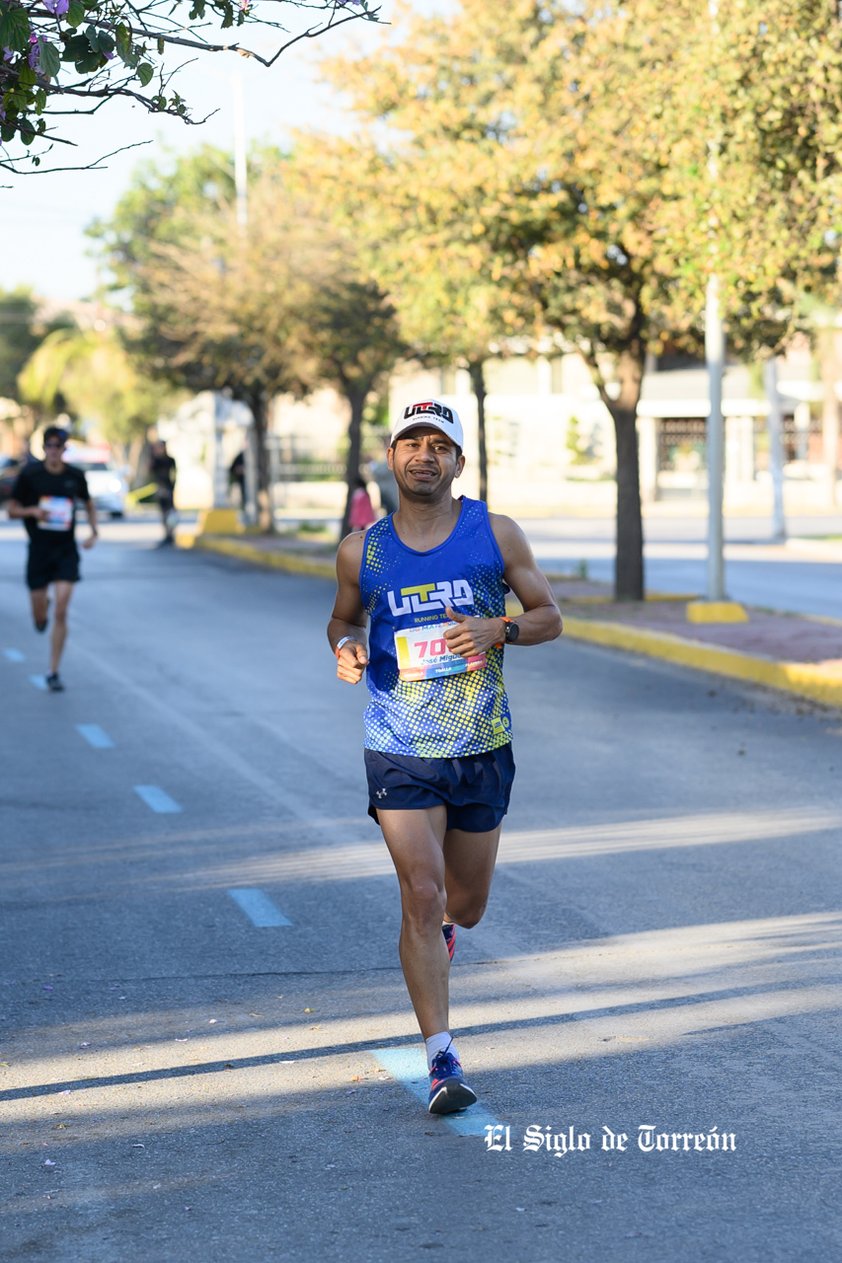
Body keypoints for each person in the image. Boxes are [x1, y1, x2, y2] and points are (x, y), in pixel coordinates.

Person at [327, 398, 562, 1115]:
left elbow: (550, 616)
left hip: (480, 745)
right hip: (397, 745)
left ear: (459, 461)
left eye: (439, 446)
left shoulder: (494, 532)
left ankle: (447, 934)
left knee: (466, 902)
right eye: (411, 443)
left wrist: (501, 628)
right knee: (421, 894)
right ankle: (441, 1057)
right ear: (391, 458)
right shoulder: (360, 550)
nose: (424, 455)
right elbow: (342, 615)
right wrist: (345, 645)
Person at [6, 425, 98, 692]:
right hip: (39, 550)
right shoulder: (30, 475)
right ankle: (40, 608)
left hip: (66, 551)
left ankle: (53, 671)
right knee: (39, 618)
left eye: (59, 447)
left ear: (65, 450)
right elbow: (11, 511)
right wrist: (33, 511)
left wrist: (94, 532)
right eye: (49, 446)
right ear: (44, 448)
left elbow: (89, 504)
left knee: (62, 610)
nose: (54, 451)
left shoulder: (75, 476)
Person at [150, 439, 177, 545]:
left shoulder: (170, 460)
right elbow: (150, 470)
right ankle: (166, 534)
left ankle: (171, 534)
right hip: (160, 488)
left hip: (168, 489)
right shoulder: (156, 460)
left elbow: (174, 474)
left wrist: (173, 487)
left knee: (170, 512)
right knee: (163, 513)